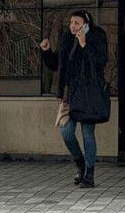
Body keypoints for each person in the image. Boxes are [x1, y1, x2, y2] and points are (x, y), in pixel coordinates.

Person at [40, 10, 108, 189]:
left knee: (87, 133)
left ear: (86, 25)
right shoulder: (67, 39)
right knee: (67, 132)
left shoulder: (97, 37)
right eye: (71, 22)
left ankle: (90, 174)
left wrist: (84, 44)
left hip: (88, 93)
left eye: (77, 23)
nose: (73, 26)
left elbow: (100, 62)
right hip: (69, 93)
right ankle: (80, 163)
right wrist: (46, 51)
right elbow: (56, 65)